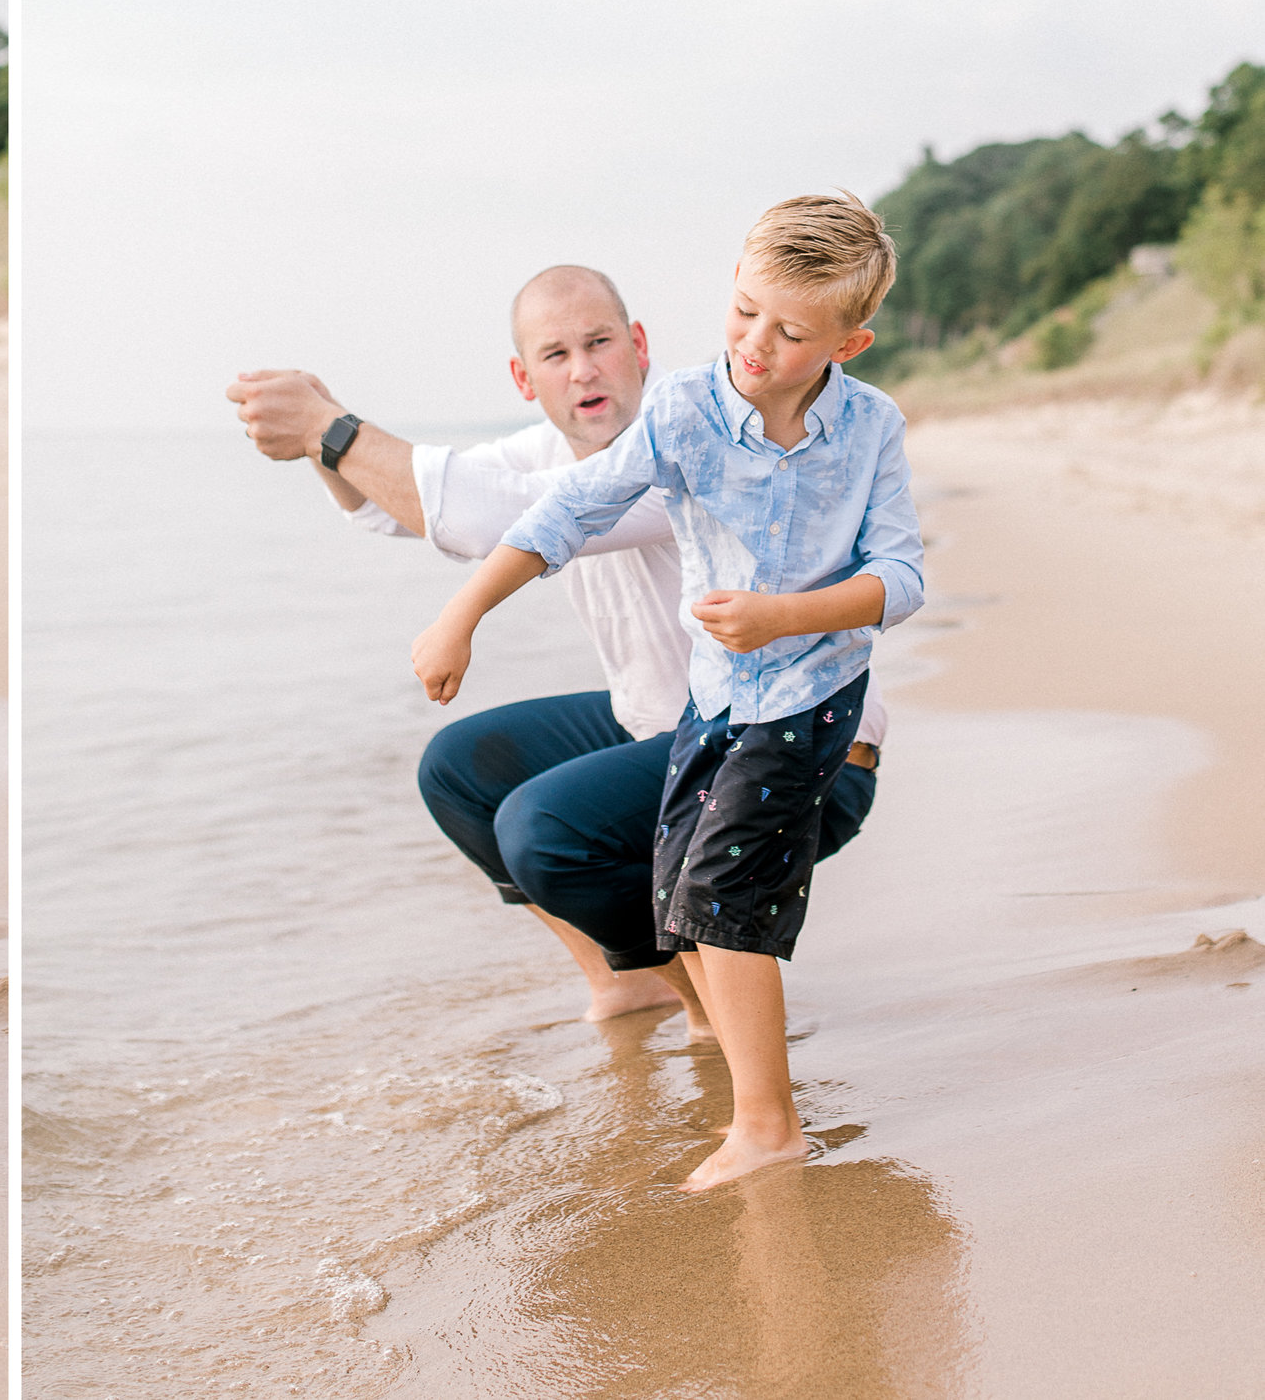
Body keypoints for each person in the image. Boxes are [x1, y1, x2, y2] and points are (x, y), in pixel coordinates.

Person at [226, 262, 884, 1043]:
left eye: (600, 342)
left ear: (638, 345)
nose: (583, 370)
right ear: (523, 376)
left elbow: (489, 517)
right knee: (460, 768)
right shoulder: (545, 447)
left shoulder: (695, 432)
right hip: (670, 730)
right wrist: (321, 438)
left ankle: (711, 1011)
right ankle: (634, 980)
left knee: (545, 828)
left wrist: (327, 428)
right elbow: (395, 508)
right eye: (556, 354)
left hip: (802, 757)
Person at [411, 194, 924, 1190]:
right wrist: (462, 613)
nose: (755, 345)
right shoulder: (685, 411)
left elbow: (900, 579)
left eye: (789, 331)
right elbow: (566, 509)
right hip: (716, 701)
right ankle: (709, 1028)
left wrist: (785, 615)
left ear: (847, 340)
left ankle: (767, 1125)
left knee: (726, 888)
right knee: (679, 878)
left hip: (817, 700)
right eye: (743, 313)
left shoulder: (868, 429)